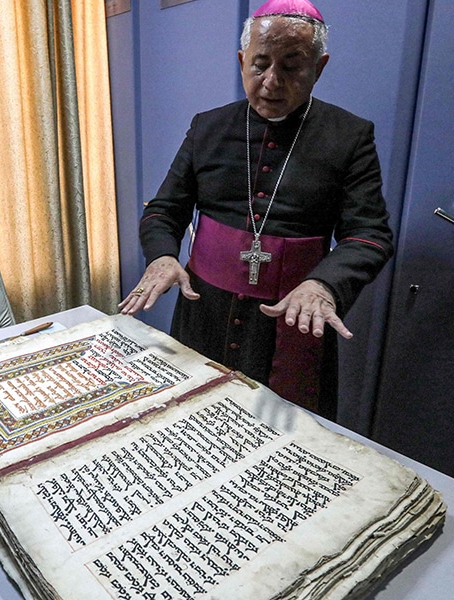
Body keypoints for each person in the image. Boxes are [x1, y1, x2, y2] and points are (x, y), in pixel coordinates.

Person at [118, 0, 393, 419]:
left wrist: (323, 286)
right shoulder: (208, 127)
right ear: (242, 60)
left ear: (319, 67)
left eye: (291, 66)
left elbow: (368, 234)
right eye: (260, 64)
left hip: (292, 317)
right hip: (203, 310)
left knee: (286, 437)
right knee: (192, 419)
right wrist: (161, 256)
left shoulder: (349, 136)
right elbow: (163, 210)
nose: (271, 82)